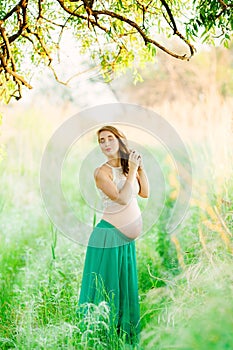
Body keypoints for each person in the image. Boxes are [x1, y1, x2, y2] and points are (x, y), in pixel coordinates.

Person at [78, 125, 149, 345]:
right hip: (108, 237)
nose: (106, 143)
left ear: (119, 140)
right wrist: (132, 171)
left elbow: (144, 193)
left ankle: (122, 339)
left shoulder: (129, 167)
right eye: (101, 140)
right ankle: (100, 338)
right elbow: (122, 198)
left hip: (126, 241)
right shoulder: (102, 172)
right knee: (106, 290)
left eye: (110, 138)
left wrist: (139, 169)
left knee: (123, 290)